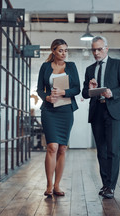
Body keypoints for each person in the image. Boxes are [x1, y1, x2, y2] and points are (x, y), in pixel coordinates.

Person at [82, 36, 120, 199]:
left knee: (113, 150)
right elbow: (84, 94)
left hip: (113, 111)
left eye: (99, 49)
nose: (96, 52)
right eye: (94, 50)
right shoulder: (90, 69)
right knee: (101, 151)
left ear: (107, 48)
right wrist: (89, 89)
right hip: (97, 112)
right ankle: (105, 184)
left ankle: (111, 186)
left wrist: (113, 93)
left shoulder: (117, 64)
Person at [37, 39, 80, 197]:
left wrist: (63, 92)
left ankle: (57, 185)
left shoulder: (71, 67)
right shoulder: (45, 66)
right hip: (49, 110)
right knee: (52, 147)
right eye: (61, 50)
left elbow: (77, 89)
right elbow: (39, 89)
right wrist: (47, 97)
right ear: (53, 51)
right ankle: (48, 185)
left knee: (62, 148)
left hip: (66, 110)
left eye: (66, 50)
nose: (64, 53)